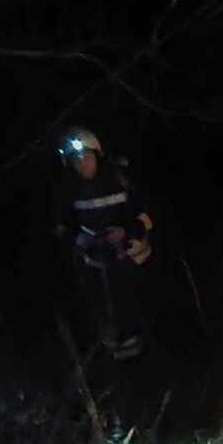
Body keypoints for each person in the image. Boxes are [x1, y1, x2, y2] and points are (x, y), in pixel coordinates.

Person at [54, 128, 154, 361]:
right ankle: (112, 351)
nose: (82, 164)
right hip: (96, 263)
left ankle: (145, 352)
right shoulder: (69, 189)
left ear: (97, 155)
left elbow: (147, 214)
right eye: (75, 160)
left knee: (136, 303)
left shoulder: (120, 179)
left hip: (133, 257)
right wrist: (86, 241)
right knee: (102, 307)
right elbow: (65, 226)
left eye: (85, 157)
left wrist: (126, 232)